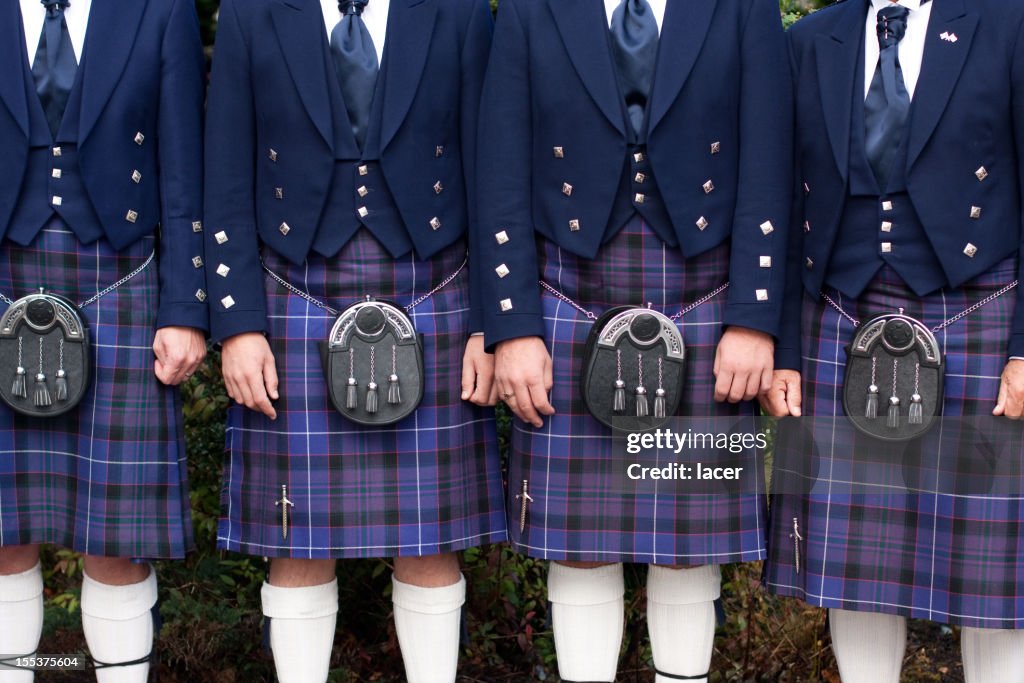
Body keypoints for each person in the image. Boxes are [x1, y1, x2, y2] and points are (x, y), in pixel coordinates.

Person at [475, 1, 792, 680]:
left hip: (706, 300)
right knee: (580, 544)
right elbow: (499, 166)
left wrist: (753, 315)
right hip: (567, 294)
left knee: (686, 545)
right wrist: (514, 323)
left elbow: (769, 156)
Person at [203, 1, 505, 681]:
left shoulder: (457, 12)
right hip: (291, 296)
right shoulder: (253, 13)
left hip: (434, 289)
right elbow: (223, 177)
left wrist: (491, 321)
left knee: (431, 536)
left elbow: (493, 175)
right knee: (296, 535)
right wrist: (239, 323)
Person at [763, 0, 1024, 680]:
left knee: (990, 580)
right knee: (856, 567)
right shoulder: (813, 40)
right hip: (841, 320)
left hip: (979, 315)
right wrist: (785, 349)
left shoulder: (1008, 24)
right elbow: (784, 207)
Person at [0, 1, 207, 681]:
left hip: (122, 281)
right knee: (3, 535)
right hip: (4, 269)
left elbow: (183, 173)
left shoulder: (158, 8)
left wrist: (184, 306)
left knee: (117, 540)